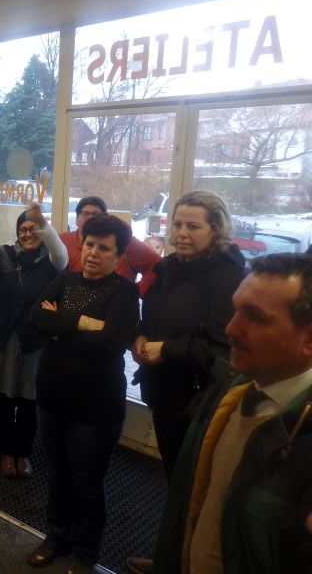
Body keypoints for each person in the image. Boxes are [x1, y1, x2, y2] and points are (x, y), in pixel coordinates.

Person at [127, 253, 312, 574]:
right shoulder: (228, 390)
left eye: (255, 317)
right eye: (236, 310)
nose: (230, 328)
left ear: (308, 339)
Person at [26, 214, 140, 574]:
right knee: (58, 474)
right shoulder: (66, 279)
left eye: (104, 248)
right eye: (89, 245)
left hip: (95, 409)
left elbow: (109, 345)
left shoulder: (124, 292)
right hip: (52, 398)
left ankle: (85, 553)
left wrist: (60, 325)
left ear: (119, 255)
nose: (93, 253)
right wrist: (83, 322)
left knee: (87, 483)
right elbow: (36, 319)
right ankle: (56, 538)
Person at [131, 190, 245, 480]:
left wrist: (167, 349)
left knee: (192, 483)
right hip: (164, 393)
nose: (182, 233)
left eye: (193, 226)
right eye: (177, 224)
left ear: (216, 230)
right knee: (174, 475)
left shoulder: (228, 278)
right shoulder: (170, 267)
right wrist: (140, 335)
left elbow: (227, 353)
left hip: (198, 404)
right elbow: (155, 317)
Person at [0, 203, 67, 479]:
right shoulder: (6, 257)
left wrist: (45, 225)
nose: (28, 233)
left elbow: (60, 252)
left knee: (30, 400)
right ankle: (6, 452)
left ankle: (23, 452)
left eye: (34, 228)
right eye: (23, 229)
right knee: (4, 400)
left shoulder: (52, 260)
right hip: (5, 341)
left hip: (35, 342)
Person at [59, 195, 160, 296]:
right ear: (76, 219)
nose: (90, 218)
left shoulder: (124, 240)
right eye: (85, 214)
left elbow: (158, 265)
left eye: (96, 214)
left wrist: (136, 292)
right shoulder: (62, 240)